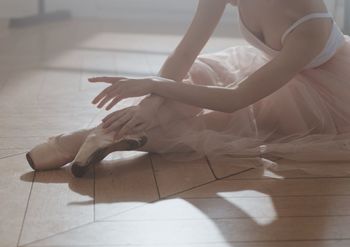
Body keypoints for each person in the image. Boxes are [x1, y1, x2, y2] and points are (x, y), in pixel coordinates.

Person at [26, 0, 350, 177]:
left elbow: (236, 99)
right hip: (267, 72)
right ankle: (107, 135)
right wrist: (148, 106)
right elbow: (185, 52)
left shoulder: (310, 25)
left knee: (218, 124)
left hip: (329, 100)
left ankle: (81, 140)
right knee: (195, 76)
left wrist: (154, 85)